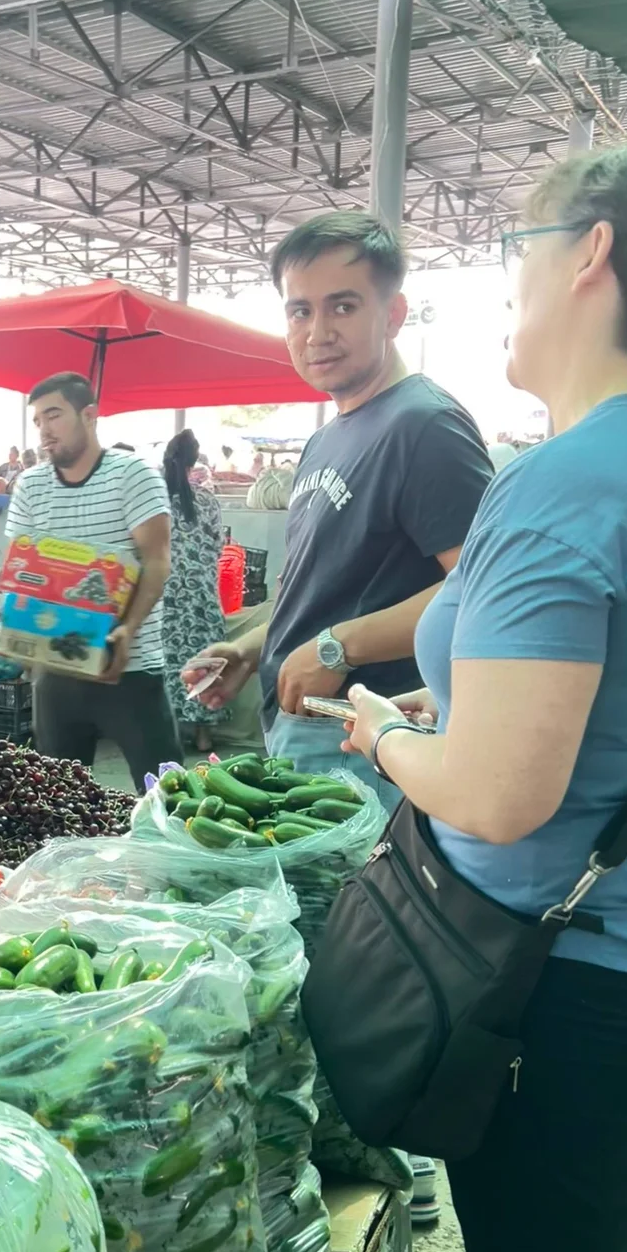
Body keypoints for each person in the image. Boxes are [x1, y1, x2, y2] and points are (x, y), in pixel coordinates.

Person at [342, 143, 627, 1252]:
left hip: (557, 983)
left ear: (590, 254)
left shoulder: (572, 480)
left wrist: (384, 733)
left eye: (521, 253)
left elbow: (501, 793)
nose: (509, 291)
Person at [187, 211, 492, 813]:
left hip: (367, 736)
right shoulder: (330, 435)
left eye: (343, 307)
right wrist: (252, 648)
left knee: (341, 904)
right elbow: (324, 581)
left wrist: (335, 648)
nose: (317, 331)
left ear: (394, 314)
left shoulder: (425, 427)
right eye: (300, 310)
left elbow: (483, 591)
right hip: (301, 726)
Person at [8, 372, 181, 790]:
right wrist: (10, 622)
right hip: (56, 673)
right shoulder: (30, 486)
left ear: (89, 415)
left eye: (54, 415)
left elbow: (156, 562)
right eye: (37, 421)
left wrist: (127, 628)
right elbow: (23, 572)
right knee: (59, 802)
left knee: (166, 796)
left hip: (130, 669)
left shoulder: (133, 475)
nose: (44, 430)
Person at [160, 430, 227, 753]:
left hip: (165, 596)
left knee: (168, 661)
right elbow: (217, 547)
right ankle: (204, 734)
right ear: (193, 461)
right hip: (200, 595)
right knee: (203, 658)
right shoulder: (207, 499)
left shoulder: (155, 500)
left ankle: (171, 729)